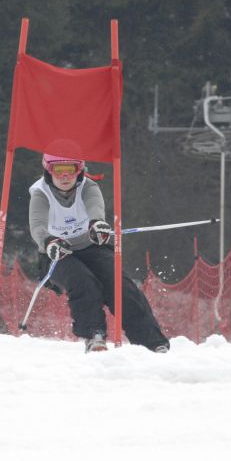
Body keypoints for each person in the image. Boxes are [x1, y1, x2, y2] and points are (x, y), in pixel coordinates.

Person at [29, 148, 170, 353]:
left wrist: (97, 225)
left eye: (71, 169)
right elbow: (37, 226)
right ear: (48, 170)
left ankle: (152, 342)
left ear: (80, 170)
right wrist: (49, 241)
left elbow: (95, 208)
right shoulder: (40, 193)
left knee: (120, 286)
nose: (65, 176)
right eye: (58, 170)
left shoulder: (88, 186)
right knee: (83, 281)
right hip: (58, 253)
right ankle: (94, 335)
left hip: (91, 247)